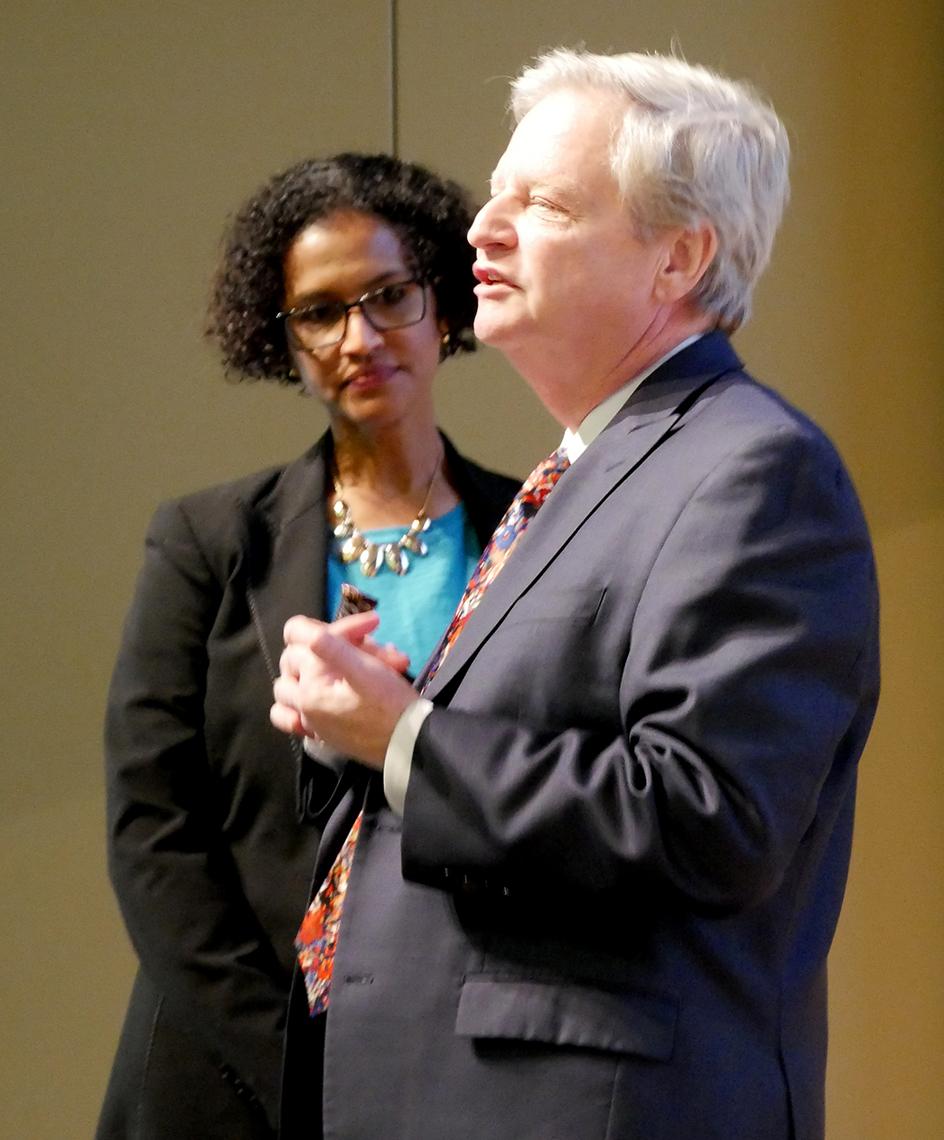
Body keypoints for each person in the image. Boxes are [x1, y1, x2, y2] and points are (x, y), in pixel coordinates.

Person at [271, 50, 880, 1140]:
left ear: (675, 258)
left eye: (540, 202)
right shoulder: (589, 471)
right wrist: (359, 725)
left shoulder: (753, 470)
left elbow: (706, 819)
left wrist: (404, 737)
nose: (480, 229)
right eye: (495, 192)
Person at [97, 153, 519, 1140]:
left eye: (388, 297)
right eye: (319, 313)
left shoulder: (532, 531)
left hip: (454, 1055)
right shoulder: (206, 542)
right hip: (226, 1070)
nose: (357, 337)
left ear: (443, 307)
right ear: (279, 340)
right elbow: (153, 833)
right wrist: (290, 1058)